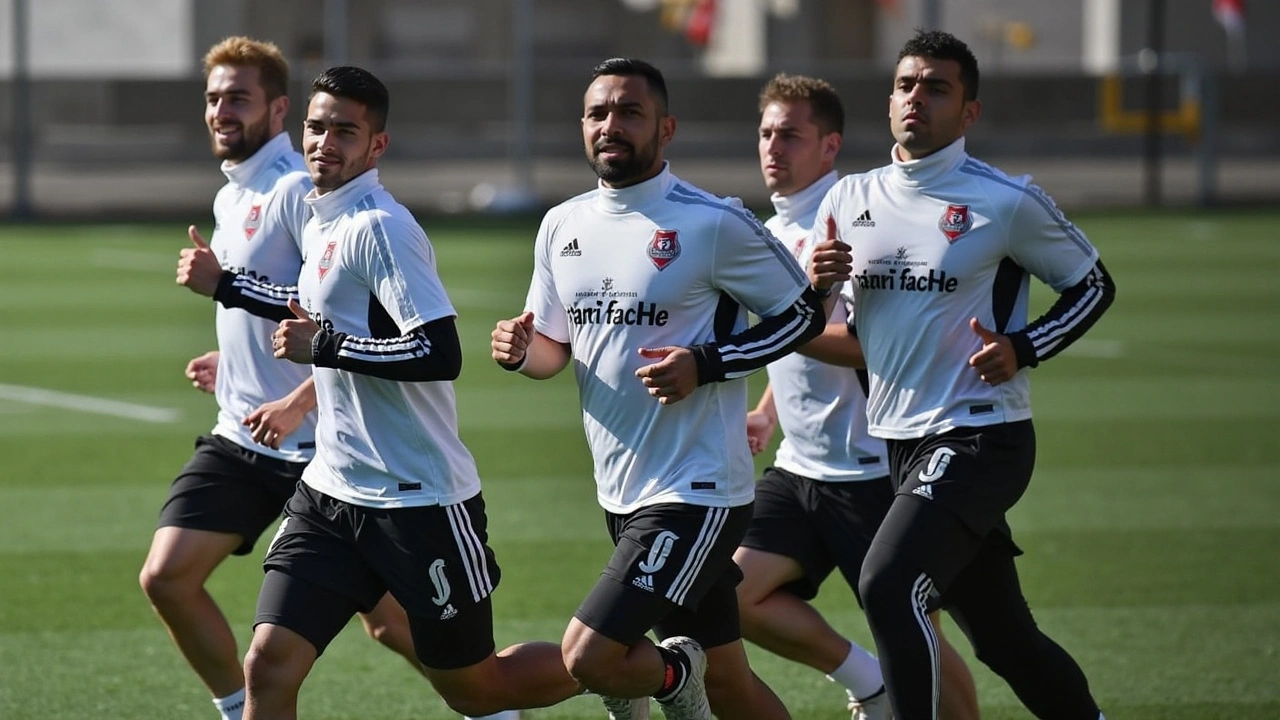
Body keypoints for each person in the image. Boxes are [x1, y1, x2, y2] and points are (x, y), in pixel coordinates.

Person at [198, 64, 581, 720]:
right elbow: (336, 337)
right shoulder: (319, 220)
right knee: (268, 663)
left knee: (476, 689)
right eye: (316, 127)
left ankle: (634, 667)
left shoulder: (381, 227)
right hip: (330, 491)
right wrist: (301, 395)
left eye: (345, 131)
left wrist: (322, 348)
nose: (324, 142)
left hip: (418, 499)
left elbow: (440, 352)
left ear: (376, 145)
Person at [490, 57, 825, 720]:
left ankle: (671, 677)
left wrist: (706, 361)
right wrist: (523, 352)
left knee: (590, 656)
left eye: (629, 112)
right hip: (622, 490)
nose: (611, 124)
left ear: (665, 128)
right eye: (598, 113)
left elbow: (803, 314)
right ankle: (688, 675)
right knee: (729, 682)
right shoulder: (562, 225)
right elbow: (555, 350)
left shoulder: (713, 223)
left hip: (698, 491)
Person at [807, 31, 1116, 720]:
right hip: (902, 444)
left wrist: (1024, 346)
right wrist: (814, 289)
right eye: (907, 85)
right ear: (889, 99)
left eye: (937, 87)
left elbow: (1093, 286)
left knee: (886, 585)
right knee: (1005, 640)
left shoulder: (1005, 201)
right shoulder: (850, 198)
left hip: (983, 437)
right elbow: (845, 331)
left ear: (969, 113)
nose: (917, 98)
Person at [139, 37, 426, 720]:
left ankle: (493, 702)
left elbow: (342, 312)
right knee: (167, 577)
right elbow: (280, 304)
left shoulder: (299, 188)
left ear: (277, 109)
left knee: (390, 624)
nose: (220, 111)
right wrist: (232, 362)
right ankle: (241, 709)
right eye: (213, 98)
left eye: (237, 98)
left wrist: (299, 397)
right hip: (241, 436)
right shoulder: (233, 193)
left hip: (317, 447)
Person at [733, 73, 982, 720]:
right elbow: (798, 352)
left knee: (918, 634)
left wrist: (790, 333)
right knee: (730, 596)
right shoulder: (771, 229)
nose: (773, 147)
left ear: (830, 145)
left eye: (791, 134)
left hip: (870, 472)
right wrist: (766, 411)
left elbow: (877, 344)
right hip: (798, 468)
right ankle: (870, 684)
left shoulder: (854, 220)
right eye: (765, 133)